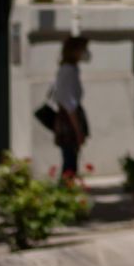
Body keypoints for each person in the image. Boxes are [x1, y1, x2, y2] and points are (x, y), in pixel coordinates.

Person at [52, 36, 90, 180]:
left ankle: (67, 193)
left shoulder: (70, 69)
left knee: (71, 160)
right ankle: (65, 194)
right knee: (69, 163)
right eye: (82, 49)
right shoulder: (68, 70)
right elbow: (69, 103)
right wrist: (77, 129)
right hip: (69, 120)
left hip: (69, 118)